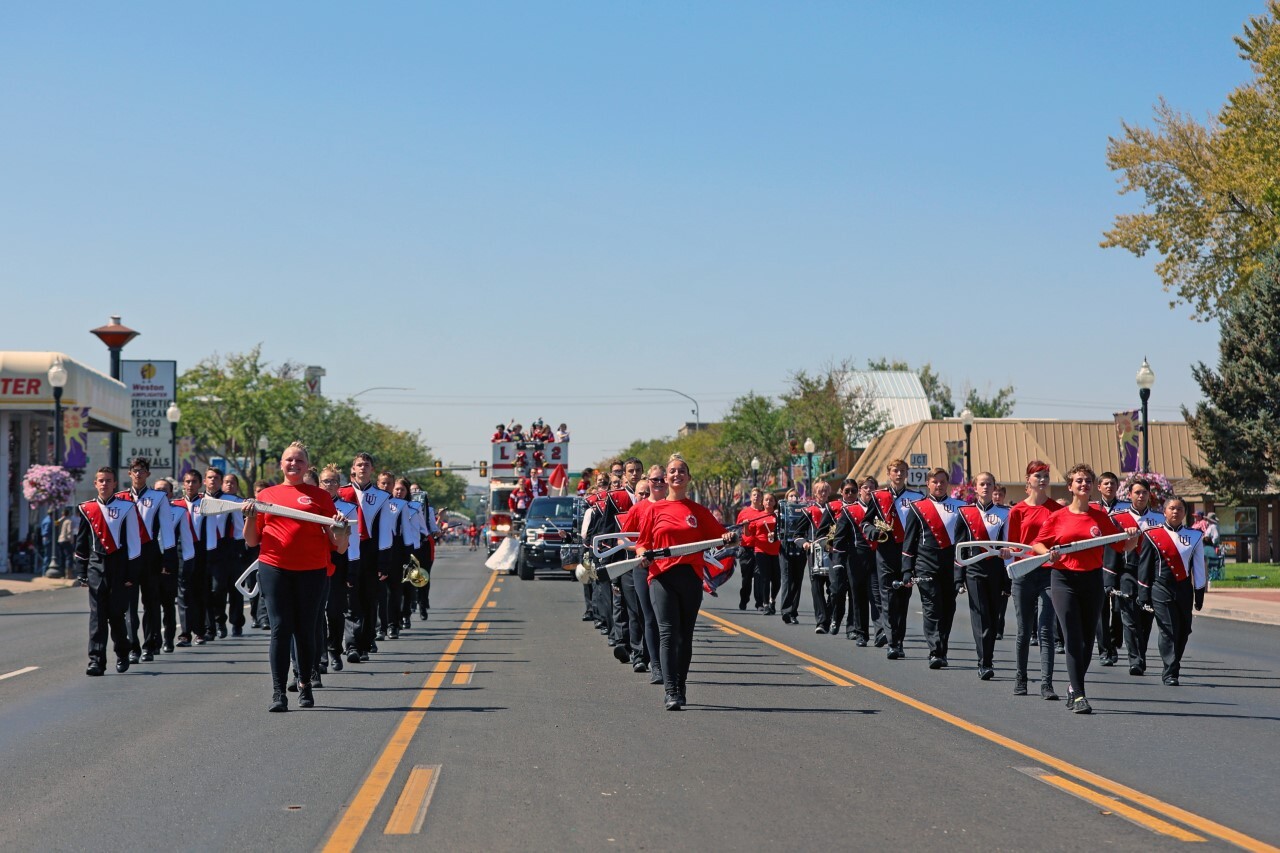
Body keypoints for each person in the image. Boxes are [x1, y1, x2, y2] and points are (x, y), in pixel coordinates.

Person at [243, 442, 349, 712]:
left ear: (306, 465)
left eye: (299, 460)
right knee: (280, 628)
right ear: (281, 464)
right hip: (274, 567)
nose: (293, 464)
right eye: (289, 460)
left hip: (312, 571)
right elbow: (252, 540)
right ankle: (279, 692)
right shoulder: (267, 495)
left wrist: (342, 529)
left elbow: (339, 545)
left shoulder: (319, 497)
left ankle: (305, 684)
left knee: (305, 629)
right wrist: (248, 517)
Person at [1031, 463, 1139, 713]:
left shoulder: (1100, 517)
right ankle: (1079, 695)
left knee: (1088, 640)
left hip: (1092, 580)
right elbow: (1037, 544)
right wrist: (1048, 554)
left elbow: (1121, 547)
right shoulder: (1057, 517)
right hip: (1064, 580)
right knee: (1072, 637)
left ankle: (1072, 686)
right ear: (1070, 486)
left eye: (1088, 481)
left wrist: (1132, 536)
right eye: (1079, 480)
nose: (1084, 484)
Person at [634, 454, 735, 710]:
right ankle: (670, 692)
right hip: (662, 577)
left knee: (684, 636)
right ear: (665, 478)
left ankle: (681, 686)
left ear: (688, 478)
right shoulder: (653, 510)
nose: (676, 475)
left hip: (690, 577)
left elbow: (720, 536)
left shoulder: (699, 512)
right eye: (672, 471)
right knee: (667, 632)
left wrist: (730, 537)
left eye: (681, 471)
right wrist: (641, 556)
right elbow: (642, 543)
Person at [74, 467, 142, 676]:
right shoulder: (86, 508)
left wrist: (132, 574)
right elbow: (81, 543)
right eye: (101, 480)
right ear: (95, 484)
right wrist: (81, 571)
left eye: (108, 481)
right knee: (97, 616)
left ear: (114, 484)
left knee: (116, 615)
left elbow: (134, 542)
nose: (104, 484)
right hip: (96, 567)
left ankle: (122, 653)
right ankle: (96, 661)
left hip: (119, 568)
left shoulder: (128, 507)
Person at [1137, 496, 1207, 686]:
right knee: (1168, 629)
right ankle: (1170, 672)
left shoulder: (1195, 536)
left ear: (1184, 513)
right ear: (1165, 512)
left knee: (1183, 630)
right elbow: (1144, 567)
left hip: (1184, 589)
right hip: (1161, 588)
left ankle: (1174, 663)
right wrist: (1143, 593)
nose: (1175, 512)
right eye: (1171, 508)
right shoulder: (1152, 534)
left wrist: (1199, 594)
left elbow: (1199, 567)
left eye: (1180, 509)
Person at [1007, 460, 1062, 700]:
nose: (1042, 479)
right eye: (1038, 475)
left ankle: (1046, 684)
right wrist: (1008, 553)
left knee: (1046, 629)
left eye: (1046, 475)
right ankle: (1021, 678)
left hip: (1049, 571)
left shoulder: (1056, 510)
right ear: (1028, 480)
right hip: (1024, 571)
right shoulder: (1017, 510)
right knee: (1023, 629)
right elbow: (1012, 544)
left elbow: (1060, 539)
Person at [116, 457, 177, 663]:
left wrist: (168, 558)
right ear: (129, 473)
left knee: (151, 602)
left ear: (148, 474)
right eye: (135, 470)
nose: (138, 473)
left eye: (142, 470)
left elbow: (167, 530)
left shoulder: (158, 497)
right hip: (128, 555)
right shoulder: (120, 498)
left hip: (150, 554)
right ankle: (132, 646)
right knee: (130, 604)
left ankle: (149, 645)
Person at [902, 469, 964, 668]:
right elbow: (909, 541)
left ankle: (942, 648)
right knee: (932, 607)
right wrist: (906, 570)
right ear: (928, 484)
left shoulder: (960, 507)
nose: (938, 485)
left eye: (942, 481)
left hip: (951, 564)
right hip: (925, 564)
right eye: (935, 482)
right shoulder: (917, 507)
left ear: (948, 483)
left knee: (948, 608)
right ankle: (935, 651)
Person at [863, 460, 925, 659]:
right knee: (888, 597)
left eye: (902, 471)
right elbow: (866, 522)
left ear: (907, 474)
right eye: (895, 471)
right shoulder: (878, 496)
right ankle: (893, 643)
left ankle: (899, 638)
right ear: (889, 473)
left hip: (908, 553)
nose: (899, 474)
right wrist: (873, 532)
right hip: (886, 551)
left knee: (903, 598)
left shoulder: (916, 497)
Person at [339, 452, 393, 664]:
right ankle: (351, 644)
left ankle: (365, 642)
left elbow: (386, 531)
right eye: (359, 465)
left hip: (370, 551)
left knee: (370, 600)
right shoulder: (342, 493)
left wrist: (384, 561)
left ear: (372, 470)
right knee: (351, 600)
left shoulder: (382, 497)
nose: (362, 468)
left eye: (366, 465)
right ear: (353, 469)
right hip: (347, 548)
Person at [954, 472, 1007, 679]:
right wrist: (958, 577)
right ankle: (984, 662)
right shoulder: (964, 512)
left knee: (994, 617)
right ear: (975, 487)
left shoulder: (1004, 513)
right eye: (982, 484)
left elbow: (1007, 544)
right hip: (974, 569)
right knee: (981, 616)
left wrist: (1008, 577)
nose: (985, 487)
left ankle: (988, 657)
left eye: (989, 484)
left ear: (995, 487)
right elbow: (959, 548)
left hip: (996, 569)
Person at [1113, 478, 1165, 677]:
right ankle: (1134, 660)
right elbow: (1112, 552)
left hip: (1151, 575)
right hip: (1128, 571)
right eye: (1137, 492)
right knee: (1129, 617)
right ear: (1130, 495)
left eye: (1144, 492)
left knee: (1146, 617)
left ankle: (1140, 654)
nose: (1140, 496)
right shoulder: (1119, 518)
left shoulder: (1159, 520)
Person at [830, 477, 880, 645]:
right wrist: (837, 561)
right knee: (858, 597)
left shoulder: (883, 509)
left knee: (877, 596)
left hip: (877, 558)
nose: (869, 490)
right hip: (856, 559)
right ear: (860, 490)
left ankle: (880, 631)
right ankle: (861, 633)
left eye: (872, 487)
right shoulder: (850, 510)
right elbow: (839, 538)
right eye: (865, 487)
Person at [1092, 471, 1128, 667]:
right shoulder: (1092, 508)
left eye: (1113, 483)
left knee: (1118, 608)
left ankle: (1114, 641)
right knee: (1101, 609)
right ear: (1099, 487)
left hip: (1121, 563)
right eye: (1106, 483)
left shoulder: (1125, 508)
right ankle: (1105, 649)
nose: (1109, 486)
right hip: (1098, 562)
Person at [169, 470, 208, 646]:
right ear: (183, 484)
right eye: (187, 481)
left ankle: (200, 630)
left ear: (200, 484)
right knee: (183, 592)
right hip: (181, 551)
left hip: (201, 550)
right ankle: (185, 633)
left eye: (194, 482)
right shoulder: (175, 505)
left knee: (200, 591)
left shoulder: (206, 504)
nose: (190, 485)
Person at [154, 477, 192, 653]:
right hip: (150, 562)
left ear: (170, 493)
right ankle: (153, 641)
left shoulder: (178, 512)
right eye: (157, 490)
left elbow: (186, 540)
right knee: (151, 605)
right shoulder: (143, 511)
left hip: (169, 563)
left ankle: (168, 639)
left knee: (168, 604)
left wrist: (187, 564)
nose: (161, 493)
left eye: (164, 490)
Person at [801, 481, 835, 633]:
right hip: (815, 553)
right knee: (817, 588)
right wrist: (805, 543)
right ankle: (821, 621)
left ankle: (828, 614)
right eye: (819, 491)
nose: (822, 494)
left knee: (834, 588)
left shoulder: (835, 509)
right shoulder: (808, 511)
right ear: (814, 494)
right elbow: (797, 534)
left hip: (832, 552)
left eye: (825, 491)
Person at [776, 488, 809, 627]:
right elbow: (776, 530)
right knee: (786, 579)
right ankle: (786, 611)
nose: (794, 498)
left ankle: (793, 612)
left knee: (797, 581)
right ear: (786, 498)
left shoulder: (805, 510)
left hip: (800, 548)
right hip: (785, 548)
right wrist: (774, 536)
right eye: (791, 496)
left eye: (796, 496)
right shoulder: (782, 511)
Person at [746, 492, 782, 616]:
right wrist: (746, 525)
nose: (768, 502)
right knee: (765, 578)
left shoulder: (778, 517)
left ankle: (773, 600)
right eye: (766, 500)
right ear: (763, 502)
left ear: (774, 503)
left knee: (777, 580)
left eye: (771, 500)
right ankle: (765, 604)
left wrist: (775, 535)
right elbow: (747, 534)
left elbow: (783, 532)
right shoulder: (758, 517)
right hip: (761, 550)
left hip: (775, 551)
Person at [735, 488, 769, 612]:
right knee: (746, 578)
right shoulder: (744, 513)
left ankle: (759, 603)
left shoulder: (765, 513)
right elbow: (737, 530)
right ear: (751, 497)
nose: (756, 497)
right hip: (746, 549)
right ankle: (743, 601)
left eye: (759, 495)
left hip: (760, 548)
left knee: (759, 576)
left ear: (761, 498)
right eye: (754, 495)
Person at [56, 506, 75, 579]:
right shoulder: (69, 521)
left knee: (62, 557)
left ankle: (62, 574)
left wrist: (62, 517)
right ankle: (68, 574)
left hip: (60, 540)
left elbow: (56, 523)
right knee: (69, 557)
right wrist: (71, 540)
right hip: (66, 540)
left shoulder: (61, 521)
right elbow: (69, 532)